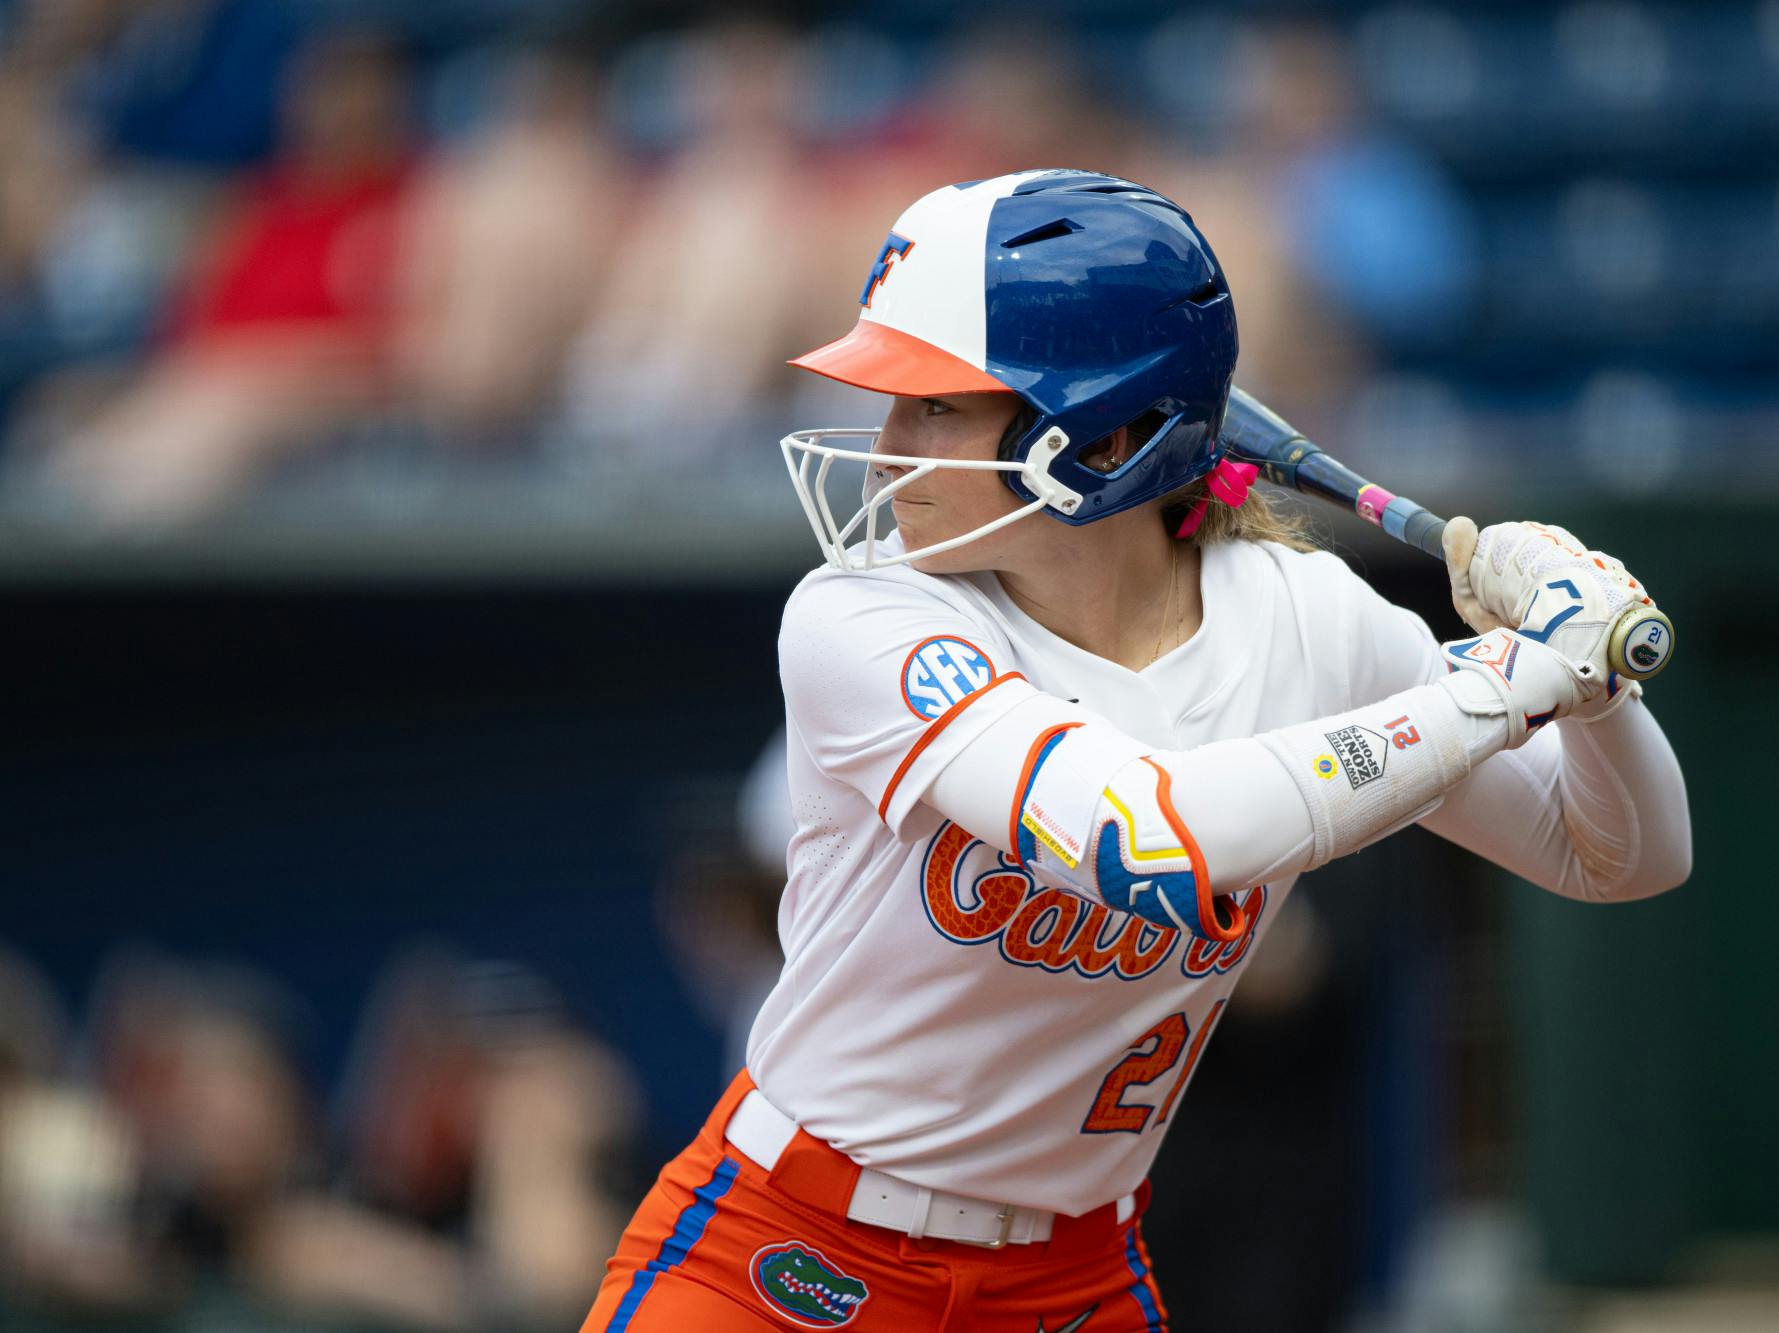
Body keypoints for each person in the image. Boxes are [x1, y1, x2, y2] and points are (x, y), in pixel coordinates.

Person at [579, 169, 1691, 1333]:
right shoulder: (862, 614)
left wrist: (1593, 680)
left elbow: (1613, 854)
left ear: (1102, 438)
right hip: (790, 1252)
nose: (885, 449)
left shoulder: (1304, 618)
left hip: (1069, 1282)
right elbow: (1138, 836)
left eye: (935, 407)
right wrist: (1511, 681)